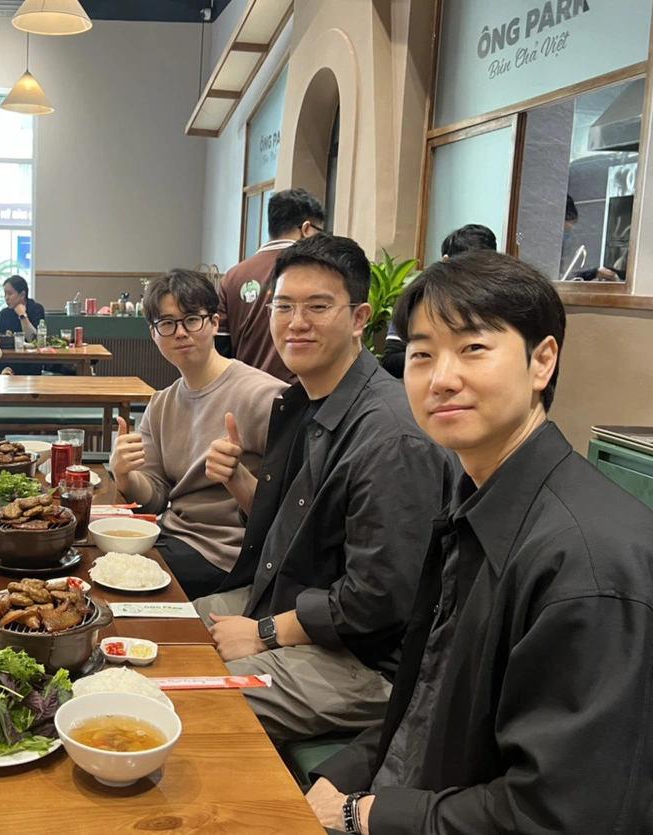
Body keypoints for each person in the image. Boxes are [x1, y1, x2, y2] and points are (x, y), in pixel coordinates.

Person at [307, 251, 653, 835]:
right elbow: (428, 704)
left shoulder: (587, 566)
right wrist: (337, 778)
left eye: (473, 348)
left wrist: (359, 814)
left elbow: (565, 815)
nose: (442, 378)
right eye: (421, 354)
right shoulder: (474, 502)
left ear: (542, 361)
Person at [195, 235, 456, 747]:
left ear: (359, 319)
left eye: (318, 307)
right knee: (151, 634)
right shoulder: (304, 401)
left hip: (365, 662)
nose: (296, 322)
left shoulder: (390, 435)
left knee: (191, 707)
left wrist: (264, 634)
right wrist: (238, 481)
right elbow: (296, 530)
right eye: (284, 306)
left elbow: (381, 599)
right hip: (287, 607)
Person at [110, 269, 284, 600]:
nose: (181, 333)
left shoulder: (263, 395)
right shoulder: (162, 403)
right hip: (173, 537)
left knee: (116, 585)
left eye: (192, 319)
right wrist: (124, 474)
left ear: (215, 323)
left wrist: (239, 476)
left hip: (227, 554)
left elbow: (294, 505)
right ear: (154, 334)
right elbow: (154, 496)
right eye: (167, 323)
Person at [216, 189, 325, 383]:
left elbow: (220, 350)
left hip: (243, 393)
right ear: (307, 229)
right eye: (320, 232)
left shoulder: (232, 277)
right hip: (296, 396)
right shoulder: (313, 274)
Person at [381, 223, 497, 378]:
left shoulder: (503, 301)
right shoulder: (419, 298)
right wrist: (430, 354)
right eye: (466, 268)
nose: (473, 279)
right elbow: (390, 361)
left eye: (481, 268)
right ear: (446, 261)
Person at [0, 274, 46, 375]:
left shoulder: (36, 309)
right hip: (8, 363)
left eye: (10, 294)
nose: (6, 298)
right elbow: (0, 341)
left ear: (22, 294)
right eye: (5, 294)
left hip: (30, 363)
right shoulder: (3, 314)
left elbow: (35, 340)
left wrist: (23, 316)